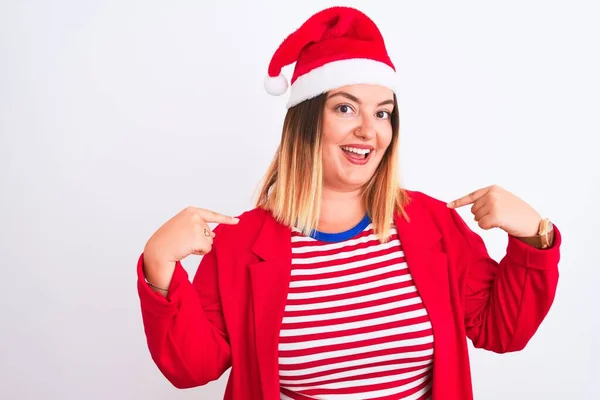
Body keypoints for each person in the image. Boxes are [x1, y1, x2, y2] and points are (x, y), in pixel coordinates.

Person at [136, 6, 561, 400]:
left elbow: (501, 331)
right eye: (345, 108)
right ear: (305, 122)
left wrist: (533, 240)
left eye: (382, 114)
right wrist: (159, 263)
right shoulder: (240, 242)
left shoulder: (433, 224)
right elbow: (193, 368)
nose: (368, 130)